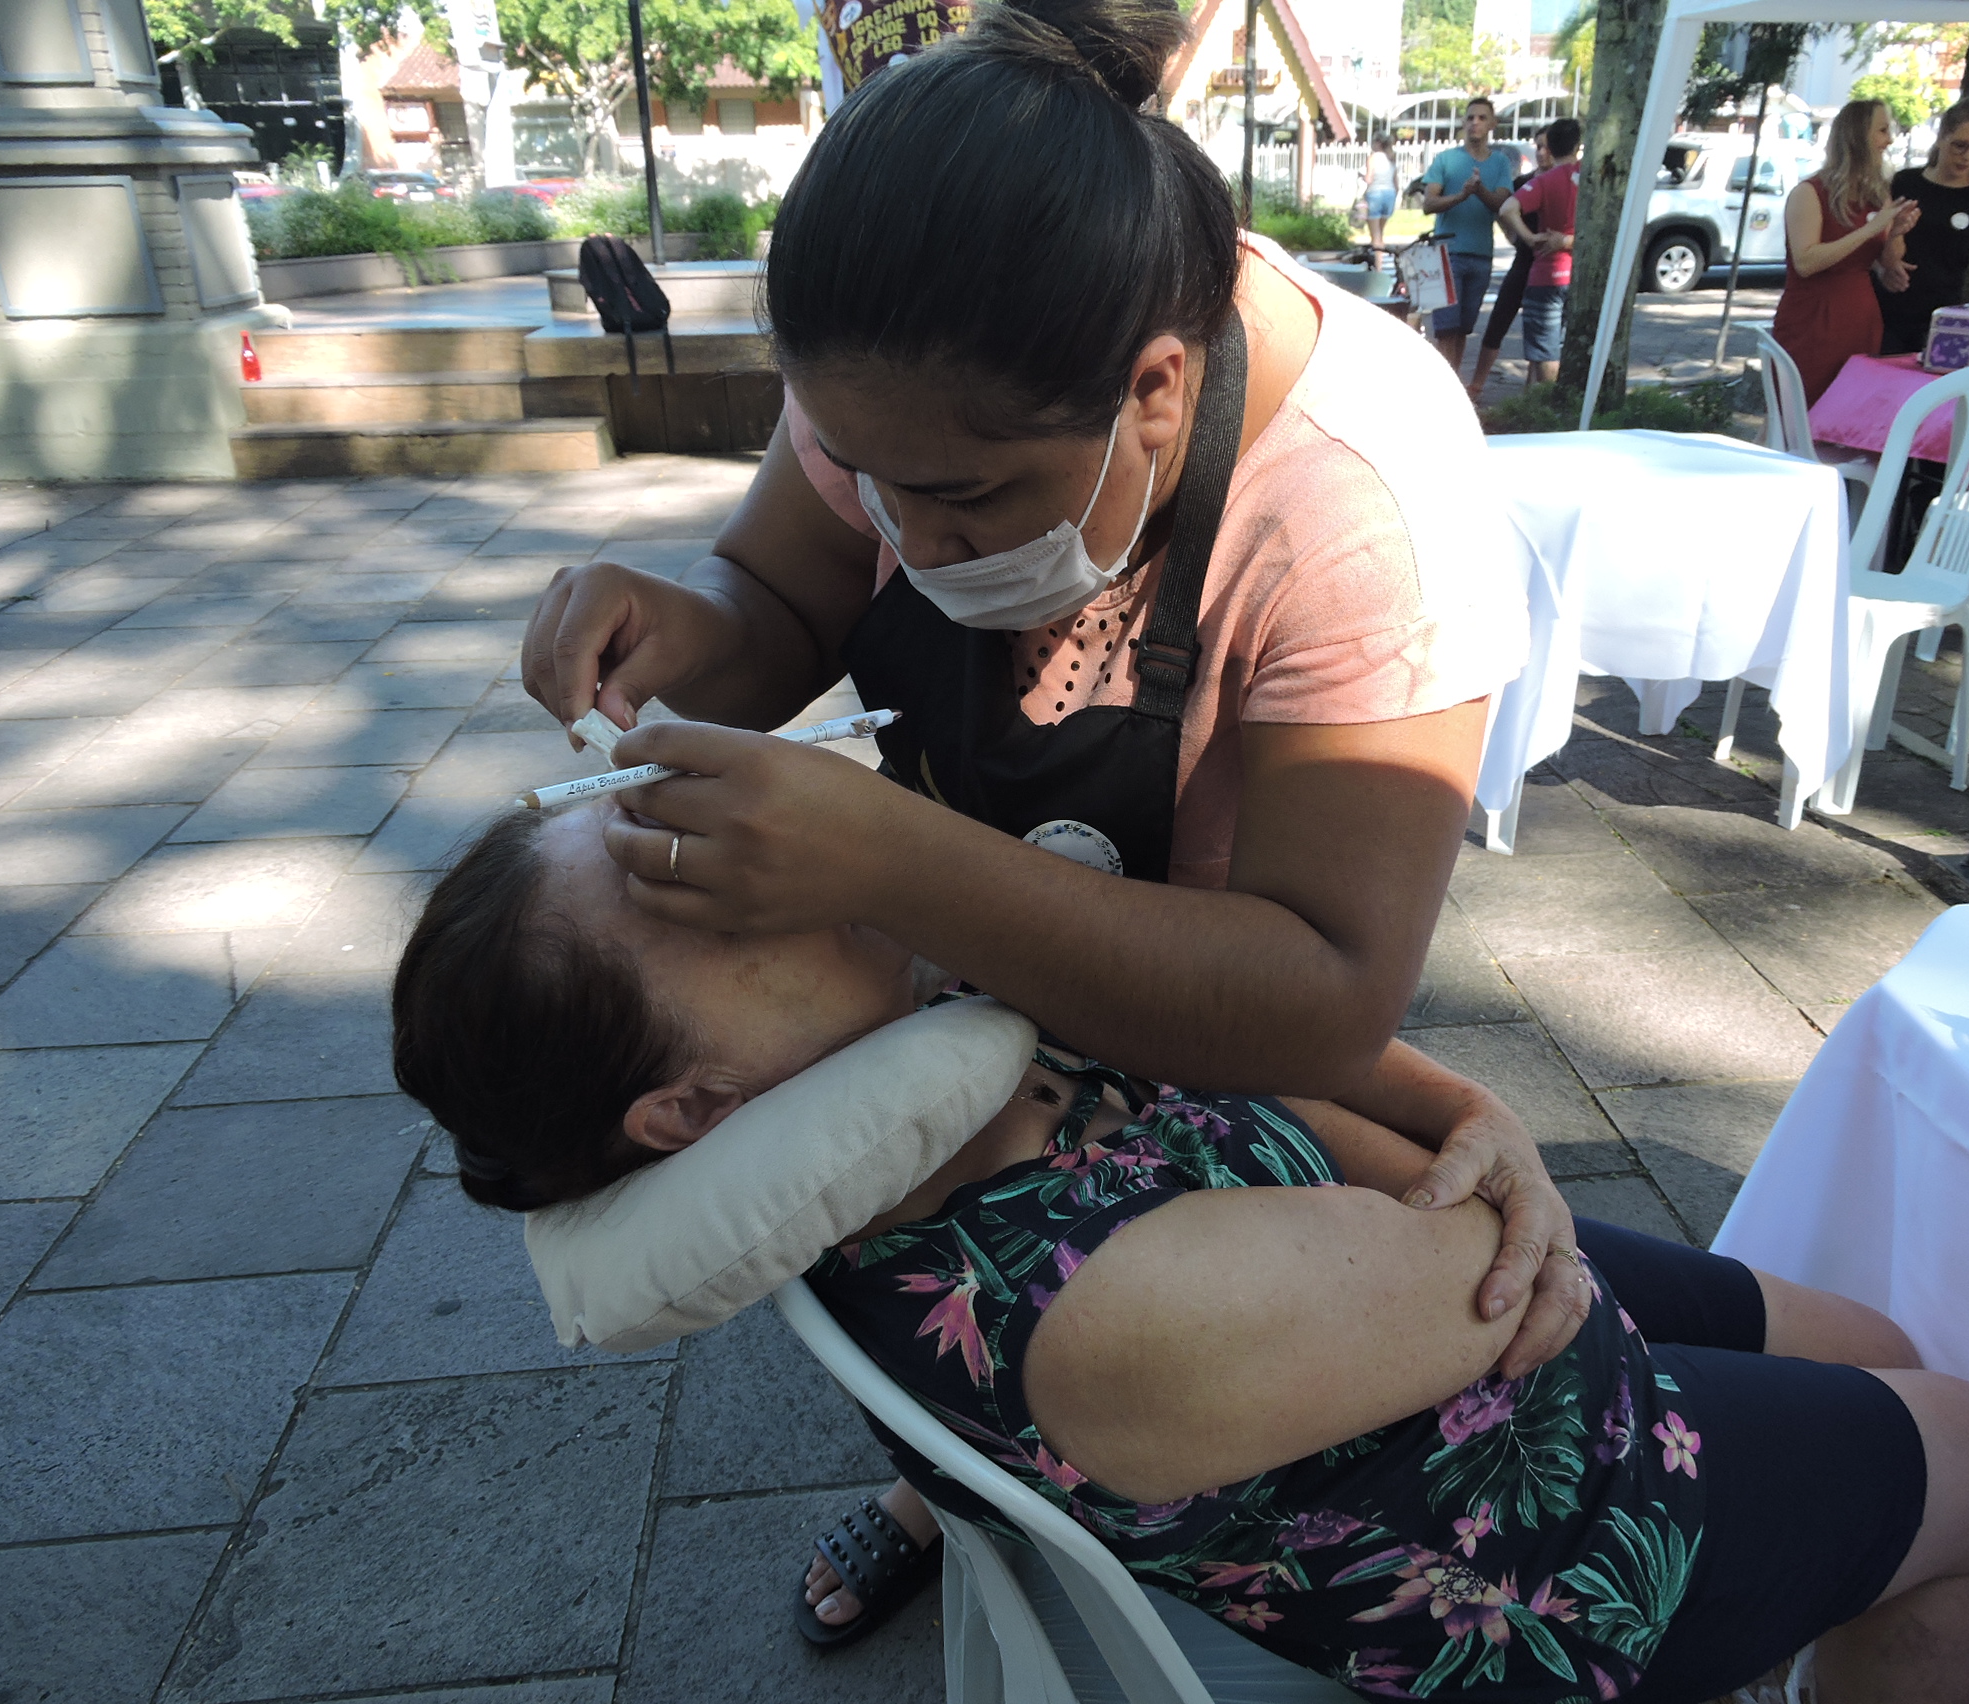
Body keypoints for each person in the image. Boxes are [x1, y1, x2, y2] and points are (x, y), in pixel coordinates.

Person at [518, 0, 1559, 1648]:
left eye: (965, 497)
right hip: (1034, 1019)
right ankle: (951, 1479)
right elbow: (777, 591)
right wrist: (680, 625)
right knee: (979, 1337)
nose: (906, 537)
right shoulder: (902, 371)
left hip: (1223, 1020)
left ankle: (1026, 1488)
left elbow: (1320, 991)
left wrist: (895, 862)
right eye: (860, 471)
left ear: (1155, 390)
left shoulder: (1363, 505)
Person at [393, 798, 1969, 1704]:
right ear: (693, 1108)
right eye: (707, 902)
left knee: (1882, 1344)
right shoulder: (1096, 1311)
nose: (784, 851)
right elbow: (1483, 1274)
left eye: (689, 832)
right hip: (1521, 1544)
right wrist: (1429, 1121)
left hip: (1426, 1350)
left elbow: (1278, 1042)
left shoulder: (907, 1082)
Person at [1772, 99, 1921, 404]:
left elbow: (1885, 263)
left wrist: (1895, 233)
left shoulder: (1876, 195)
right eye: (1882, 130)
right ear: (1857, 136)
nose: (1889, 140)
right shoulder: (1810, 192)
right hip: (1813, 318)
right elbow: (1805, 261)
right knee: (1803, 410)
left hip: (1861, 317)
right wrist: (1869, 229)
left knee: (1848, 410)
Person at [1876, 96, 1969, 357]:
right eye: (1959, 145)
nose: (1967, 156)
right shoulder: (1904, 183)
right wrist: (1882, 269)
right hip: (1890, 310)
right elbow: (1873, 243)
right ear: (1941, 137)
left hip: (1945, 318)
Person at [1416, 97, 1522, 381]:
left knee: (1463, 329)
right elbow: (1429, 203)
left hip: (1481, 255)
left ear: (1492, 124)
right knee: (1446, 329)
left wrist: (1479, 191)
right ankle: (1445, 386)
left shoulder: (1500, 162)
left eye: (1482, 118)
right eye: (1470, 117)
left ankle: (1452, 381)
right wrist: (1462, 195)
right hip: (1447, 253)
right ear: (1463, 123)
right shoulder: (1446, 159)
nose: (1475, 123)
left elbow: (1501, 202)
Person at [1494, 117, 1581, 388]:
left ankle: (1546, 402)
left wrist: (1531, 238)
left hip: (1547, 275)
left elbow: (1507, 209)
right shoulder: (1592, 179)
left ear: (1550, 148)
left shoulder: (1545, 181)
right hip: (1579, 274)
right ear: (1577, 146)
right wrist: (1568, 240)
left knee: (1545, 352)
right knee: (1573, 346)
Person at [1469, 127, 1551, 401]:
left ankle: (1532, 389)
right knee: (1498, 320)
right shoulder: (1524, 183)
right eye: (1538, 146)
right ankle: (1476, 385)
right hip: (1525, 260)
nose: (1542, 152)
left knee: (1540, 329)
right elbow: (1503, 212)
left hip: (1551, 266)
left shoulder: (1561, 181)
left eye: (1547, 146)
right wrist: (1518, 237)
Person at [1361, 132, 1399, 258]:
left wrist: (1361, 176)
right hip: (1390, 194)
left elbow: (1369, 179)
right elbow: (1396, 184)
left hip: (1375, 194)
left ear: (1378, 143)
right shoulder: (1391, 158)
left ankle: (1378, 265)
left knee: (1375, 236)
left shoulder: (1372, 158)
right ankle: (1380, 260)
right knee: (1381, 233)